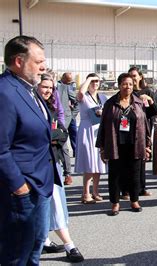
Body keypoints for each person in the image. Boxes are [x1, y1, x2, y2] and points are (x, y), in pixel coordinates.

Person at [0, 35, 60, 265]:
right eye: (38, 61)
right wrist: (19, 187)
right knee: (16, 254)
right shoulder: (5, 92)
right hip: (20, 189)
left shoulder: (29, 88)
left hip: (41, 184)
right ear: (18, 61)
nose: (44, 66)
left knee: (35, 247)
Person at [36, 73, 84, 262]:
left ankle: (45, 240)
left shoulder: (50, 107)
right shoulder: (32, 106)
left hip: (53, 161)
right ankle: (69, 245)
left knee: (56, 202)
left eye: (50, 88)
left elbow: (62, 133)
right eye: (44, 87)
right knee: (50, 202)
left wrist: (51, 134)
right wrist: (51, 135)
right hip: (40, 163)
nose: (48, 90)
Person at [96, 73, 152, 215]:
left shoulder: (138, 103)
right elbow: (103, 126)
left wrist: (147, 145)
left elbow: (145, 125)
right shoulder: (110, 103)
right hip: (115, 143)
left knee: (135, 173)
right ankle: (115, 203)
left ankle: (134, 200)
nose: (128, 87)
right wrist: (102, 148)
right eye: (125, 84)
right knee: (115, 175)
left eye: (131, 84)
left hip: (135, 143)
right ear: (119, 85)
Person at [75, 73, 108, 204]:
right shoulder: (84, 97)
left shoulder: (103, 97)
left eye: (97, 81)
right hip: (87, 128)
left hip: (99, 130)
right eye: (92, 81)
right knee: (89, 162)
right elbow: (80, 93)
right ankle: (85, 192)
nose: (95, 84)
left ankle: (96, 191)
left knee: (99, 162)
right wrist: (88, 79)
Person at [128, 66, 157, 197]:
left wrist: (150, 101)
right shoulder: (127, 93)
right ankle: (127, 189)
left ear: (140, 77)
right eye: (130, 76)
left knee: (143, 159)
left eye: (135, 76)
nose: (133, 79)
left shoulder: (147, 92)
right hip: (129, 129)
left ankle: (142, 187)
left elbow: (155, 111)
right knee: (129, 160)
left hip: (144, 129)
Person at [56, 72, 78, 185]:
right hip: (49, 119)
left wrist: (71, 116)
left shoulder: (65, 88)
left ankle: (67, 174)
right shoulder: (44, 89)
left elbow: (77, 101)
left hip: (63, 120)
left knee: (63, 145)